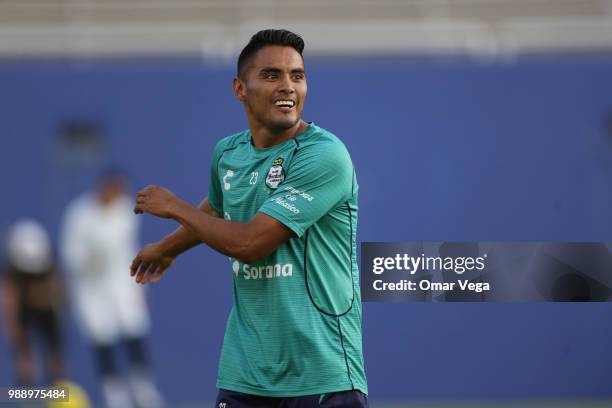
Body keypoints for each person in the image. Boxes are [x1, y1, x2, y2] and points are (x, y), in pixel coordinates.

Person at [131, 29, 368, 407]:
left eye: (297, 75)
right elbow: (221, 204)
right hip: (245, 375)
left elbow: (249, 244)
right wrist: (168, 247)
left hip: (322, 375)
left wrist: (175, 206)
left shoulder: (325, 156)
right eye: (272, 75)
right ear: (240, 89)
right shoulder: (228, 152)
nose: (287, 86)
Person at [60, 170, 163, 408]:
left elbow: (115, 246)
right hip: (89, 289)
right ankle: (114, 395)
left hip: (122, 282)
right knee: (101, 338)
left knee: (134, 330)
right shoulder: (78, 214)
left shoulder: (126, 210)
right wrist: (87, 259)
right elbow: (72, 255)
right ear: (105, 188)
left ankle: (144, 391)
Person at [1, 218, 64, 386]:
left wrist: (51, 302)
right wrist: (13, 327)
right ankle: (28, 398)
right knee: (24, 359)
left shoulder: (48, 265)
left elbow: (57, 292)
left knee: (55, 357)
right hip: (23, 311)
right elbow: (9, 301)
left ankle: (57, 395)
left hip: (47, 312)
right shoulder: (12, 275)